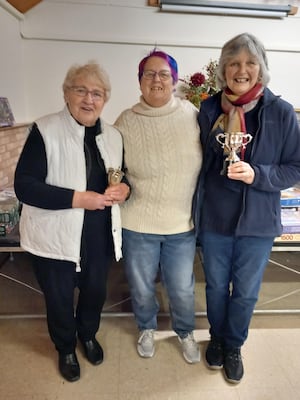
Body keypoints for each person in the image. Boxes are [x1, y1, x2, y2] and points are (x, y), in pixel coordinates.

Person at [193, 33, 300, 384]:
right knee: (214, 286)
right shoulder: (208, 109)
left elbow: (295, 168)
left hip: (258, 221)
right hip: (215, 218)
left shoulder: (282, 113)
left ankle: (234, 345)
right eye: (234, 63)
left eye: (250, 63)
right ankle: (217, 338)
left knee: (246, 292)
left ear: (261, 68)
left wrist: (258, 174)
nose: (242, 70)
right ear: (224, 69)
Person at [14, 61, 130, 382]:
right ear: (66, 94)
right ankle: (65, 346)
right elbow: (25, 185)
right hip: (55, 235)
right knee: (60, 298)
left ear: (105, 99)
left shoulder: (114, 135)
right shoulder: (44, 129)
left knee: (95, 293)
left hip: (99, 235)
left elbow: (124, 177)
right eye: (80, 90)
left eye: (97, 93)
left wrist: (125, 188)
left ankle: (88, 335)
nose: (88, 99)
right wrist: (78, 198)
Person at [114, 49, 202, 364]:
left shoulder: (193, 115)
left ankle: (185, 332)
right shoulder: (126, 119)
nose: (156, 79)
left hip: (181, 224)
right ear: (139, 81)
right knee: (141, 287)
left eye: (164, 73)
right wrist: (119, 183)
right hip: (137, 223)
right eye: (149, 73)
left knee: (181, 289)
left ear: (174, 80)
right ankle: (146, 327)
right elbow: (114, 167)